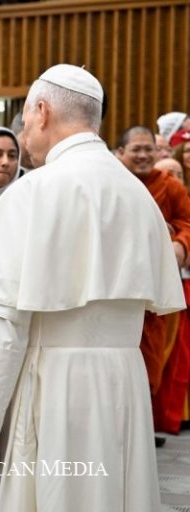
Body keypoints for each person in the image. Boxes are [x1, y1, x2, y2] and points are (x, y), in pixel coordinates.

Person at [0, 64, 184, 512]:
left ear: (41, 112)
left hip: (54, 388)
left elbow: (0, 326)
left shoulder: (32, 193)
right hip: (124, 385)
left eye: (25, 119)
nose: (24, 133)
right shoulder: (138, 195)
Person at [116, 126, 190, 443]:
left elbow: (187, 222)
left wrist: (181, 244)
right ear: (121, 153)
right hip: (116, 290)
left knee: (151, 361)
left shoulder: (169, 185)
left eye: (149, 149)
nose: (144, 155)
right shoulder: (113, 182)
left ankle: (141, 430)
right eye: (136, 149)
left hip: (153, 295)